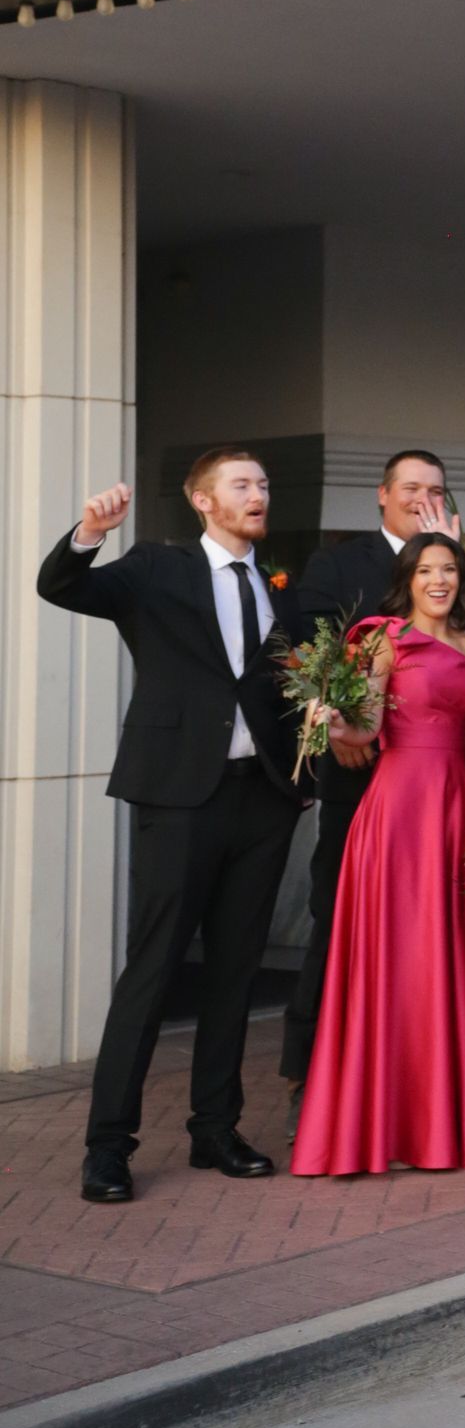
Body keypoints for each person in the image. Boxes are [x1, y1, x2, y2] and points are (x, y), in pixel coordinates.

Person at [40, 454, 305, 1205]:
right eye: (242, 485)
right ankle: (107, 1146)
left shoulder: (275, 586)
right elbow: (62, 585)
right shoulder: (157, 567)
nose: (259, 494)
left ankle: (215, 1130)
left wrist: (300, 780)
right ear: (201, 500)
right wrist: (89, 533)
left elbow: (286, 686)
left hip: (263, 802)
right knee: (153, 969)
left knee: (234, 969)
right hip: (178, 798)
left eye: (263, 482)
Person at [291, 535, 465, 1175]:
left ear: (461, 580)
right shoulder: (382, 640)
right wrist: (331, 719)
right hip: (396, 814)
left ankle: (444, 1114)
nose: (439, 580)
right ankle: (382, 1117)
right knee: (397, 959)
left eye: (449, 570)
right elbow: (364, 727)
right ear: (408, 579)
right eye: (426, 571)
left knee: (451, 957)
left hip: (455, 811)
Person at [281, 447, 465, 1102]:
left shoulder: (459, 571)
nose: (423, 499)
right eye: (411, 488)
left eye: (436, 490)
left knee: (434, 928)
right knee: (337, 916)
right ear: (383, 498)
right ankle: (313, 1072)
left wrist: (449, 552)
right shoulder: (338, 563)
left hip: (439, 783)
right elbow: (315, 648)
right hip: (360, 776)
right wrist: (339, 731)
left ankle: (418, 1073)